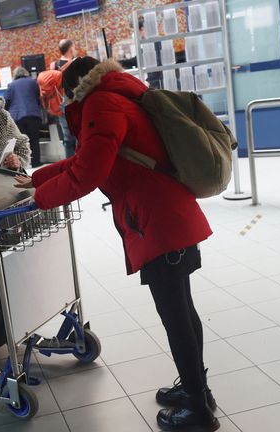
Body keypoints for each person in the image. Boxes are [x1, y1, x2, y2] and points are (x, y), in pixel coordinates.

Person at [13, 57, 217, 432]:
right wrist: (39, 179)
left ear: (75, 87)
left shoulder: (101, 104)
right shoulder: (118, 96)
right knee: (182, 309)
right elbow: (85, 159)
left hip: (158, 222)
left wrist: (38, 200)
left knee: (176, 316)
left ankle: (198, 408)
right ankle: (198, 390)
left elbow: (87, 173)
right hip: (169, 214)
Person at [4, 67, 42, 168]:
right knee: (34, 140)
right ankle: (36, 163)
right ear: (26, 73)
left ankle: (25, 164)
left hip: (18, 117)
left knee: (22, 142)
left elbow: (6, 101)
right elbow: (38, 97)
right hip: (33, 115)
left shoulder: (11, 85)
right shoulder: (33, 82)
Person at [50, 40, 78, 158]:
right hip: (74, 102)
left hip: (61, 103)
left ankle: (69, 162)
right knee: (78, 134)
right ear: (71, 49)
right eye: (74, 47)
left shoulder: (54, 64)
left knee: (67, 137)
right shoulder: (75, 63)